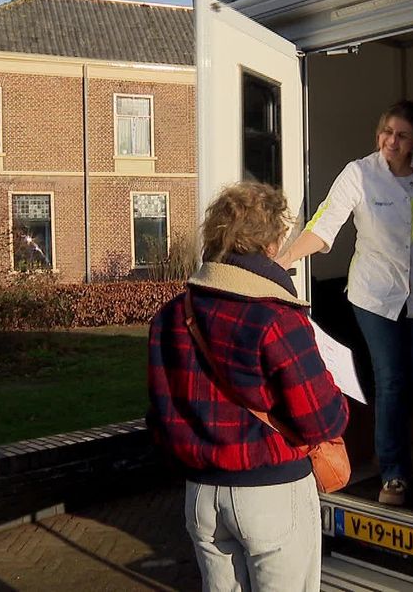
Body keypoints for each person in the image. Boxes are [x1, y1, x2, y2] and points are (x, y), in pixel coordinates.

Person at [147, 181, 349, 592]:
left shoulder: (169, 316)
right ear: (271, 245)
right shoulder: (276, 317)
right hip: (271, 493)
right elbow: (322, 421)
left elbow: (159, 416)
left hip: (201, 495)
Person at [275, 100, 413, 506]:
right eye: (386, 132)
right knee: (392, 379)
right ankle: (394, 473)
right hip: (374, 297)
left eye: (401, 135)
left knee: (411, 380)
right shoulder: (359, 174)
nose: (391, 142)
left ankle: (396, 444)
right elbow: (325, 225)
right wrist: (289, 257)